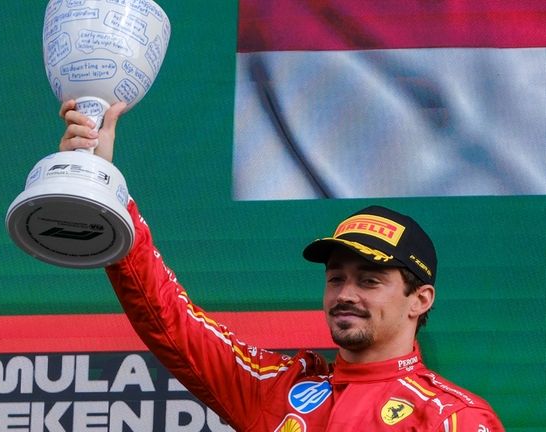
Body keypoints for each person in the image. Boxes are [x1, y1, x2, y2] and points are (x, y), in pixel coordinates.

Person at [58, 100, 505, 431]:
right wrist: (103, 186)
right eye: (336, 279)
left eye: (369, 281)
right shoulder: (275, 387)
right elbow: (171, 321)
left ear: (420, 299)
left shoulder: (453, 418)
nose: (345, 294)